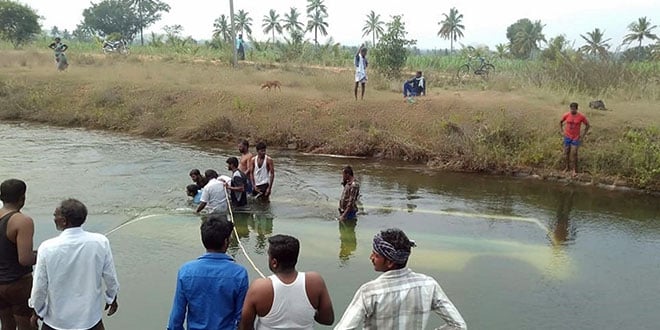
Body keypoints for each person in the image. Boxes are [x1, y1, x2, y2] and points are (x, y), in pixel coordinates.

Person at [334, 228, 466, 330]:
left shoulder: (369, 292)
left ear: (390, 262)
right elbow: (458, 326)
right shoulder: (429, 285)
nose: (371, 257)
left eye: (376, 255)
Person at [29, 199, 119, 330]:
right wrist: (112, 298)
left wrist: (37, 311)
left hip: (57, 321)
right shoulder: (100, 242)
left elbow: (39, 287)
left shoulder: (47, 247)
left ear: (64, 221)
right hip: (90, 319)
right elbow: (110, 276)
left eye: (55, 215)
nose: (54, 218)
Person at [168, 215, 249, 330]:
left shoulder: (186, 271)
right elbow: (241, 318)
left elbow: (176, 319)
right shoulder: (239, 274)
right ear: (226, 241)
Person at [240, 234, 334, 330]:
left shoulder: (259, 287)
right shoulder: (315, 281)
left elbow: (245, 326)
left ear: (274, 262)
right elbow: (327, 319)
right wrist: (307, 311)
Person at [0, 179, 37, 330]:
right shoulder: (22, 221)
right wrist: (46, 254)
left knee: (7, 324)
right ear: (22, 197)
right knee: (27, 325)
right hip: (18, 284)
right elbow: (25, 259)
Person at [559, 102, 590, 176]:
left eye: (574, 109)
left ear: (577, 109)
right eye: (571, 109)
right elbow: (560, 122)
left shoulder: (581, 117)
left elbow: (587, 125)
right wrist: (562, 131)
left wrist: (583, 135)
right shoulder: (566, 115)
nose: (572, 111)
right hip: (567, 136)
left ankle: (575, 170)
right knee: (567, 152)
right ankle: (567, 168)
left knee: (575, 153)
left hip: (575, 137)